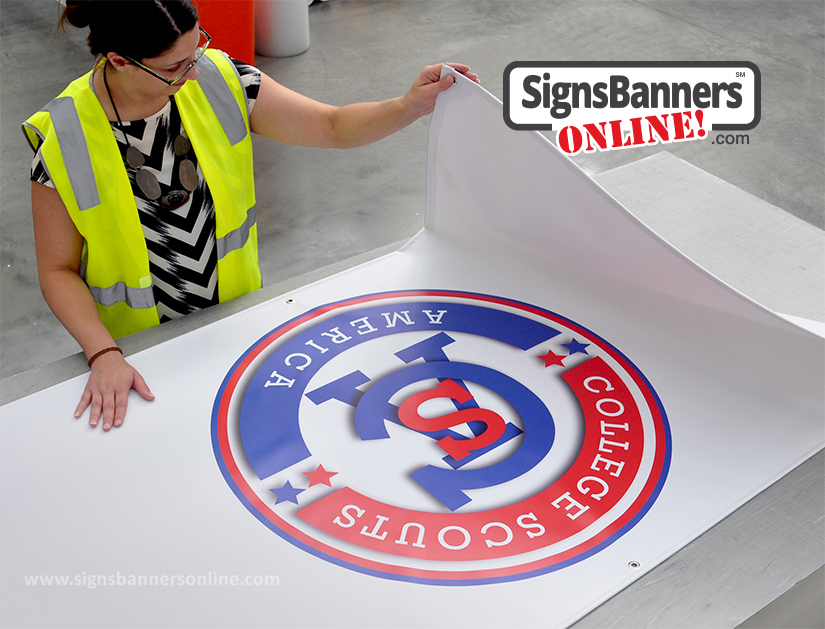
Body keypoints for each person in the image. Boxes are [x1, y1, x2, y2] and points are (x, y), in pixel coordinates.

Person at [25, 0, 477, 433]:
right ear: (119, 60)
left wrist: (407, 106)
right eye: (172, 67)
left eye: (196, 46)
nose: (191, 71)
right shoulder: (64, 140)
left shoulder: (222, 80)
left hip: (239, 329)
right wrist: (103, 354)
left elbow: (331, 125)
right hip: (142, 356)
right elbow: (57, 269)